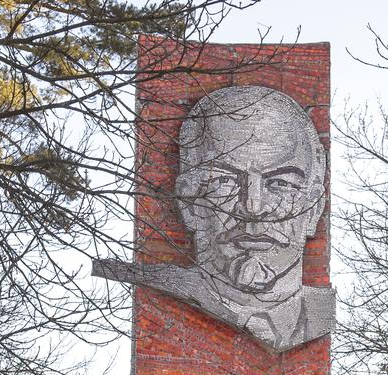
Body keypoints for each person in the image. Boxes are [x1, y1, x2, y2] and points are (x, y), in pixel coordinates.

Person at [94, 85, 334, 351]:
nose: (253, 207)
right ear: (189, 203)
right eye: (225, 181)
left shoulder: (320, 313)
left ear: (313, 208)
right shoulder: (162, 292)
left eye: (280, 183)